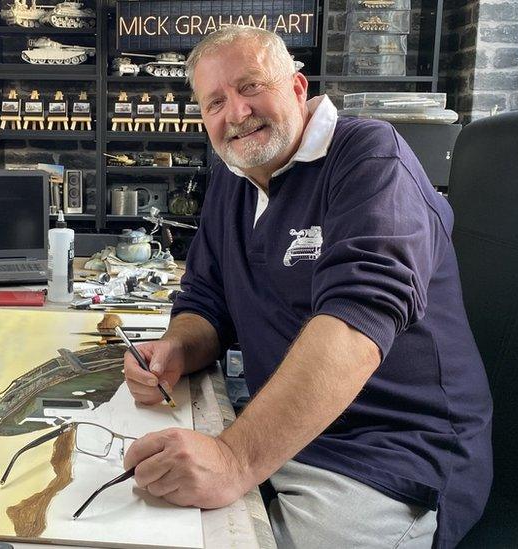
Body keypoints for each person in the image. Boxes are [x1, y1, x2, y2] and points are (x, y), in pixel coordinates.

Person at [121, 26, 493, 549]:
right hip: (280, 433)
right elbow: (205, 300)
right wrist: (177, 348)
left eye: (251, 87)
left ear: (298, 88)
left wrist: (235, 459)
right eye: (215, 102)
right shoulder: (233, 178)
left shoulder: (369, 156)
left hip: (391, 456)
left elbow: (358, 319)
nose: (236, 112)